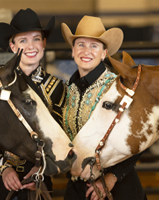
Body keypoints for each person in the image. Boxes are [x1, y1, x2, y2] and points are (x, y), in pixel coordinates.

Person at [0, 8, 65, 200]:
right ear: (13, 46)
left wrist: (41, 168)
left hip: (37, 178)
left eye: (36, 39)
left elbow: (61, 136)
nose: (31, 46)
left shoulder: (57, 87)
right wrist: (4, 168)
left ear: (44, 43)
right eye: (23, 40)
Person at [61, 16, 147, 200]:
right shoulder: (67, 89)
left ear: (103, 53)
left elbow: (139, 136)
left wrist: (112, 176)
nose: (86, 51)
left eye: (94, 46)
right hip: (77, 186)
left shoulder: (117, 87)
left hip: (117, 187)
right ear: (73, 51)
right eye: (81, 44)